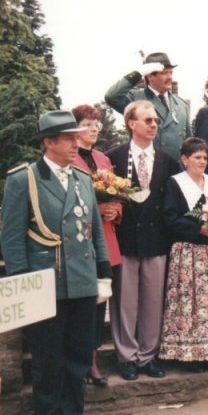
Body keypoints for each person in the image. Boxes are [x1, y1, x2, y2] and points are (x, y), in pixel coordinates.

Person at [1, 110, 110, 414]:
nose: (77, 143)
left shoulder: (82, 179)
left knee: (78, 359)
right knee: (48, 362)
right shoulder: (25, 179)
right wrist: (23, 283)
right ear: (49, 142)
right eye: (69, 138)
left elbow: (95, 233)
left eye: (77, 137)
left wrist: (103, 274)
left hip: (81, 282)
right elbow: (11, 239)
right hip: (43, 283)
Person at [106, 100, 180, 380]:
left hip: (156, 242)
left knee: (152, 303)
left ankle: (148, 356)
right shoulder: (112, 158)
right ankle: (126, 356)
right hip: (125, 241)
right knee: (125, 302)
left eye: (155, 121)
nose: (153, 125)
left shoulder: (168, 161)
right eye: (147, 120)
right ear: (131, 123)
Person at [159, 137, 208, 372]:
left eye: (204, 157)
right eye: (196, 157)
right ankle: (189, 354)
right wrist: (199, 229)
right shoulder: (175, 183)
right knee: (189, 302)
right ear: (184, 160)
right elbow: (170, 218)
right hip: (187, 252)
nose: (202, 161)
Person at [71, 104, 123, 388]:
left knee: (98, 306)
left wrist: (115, 210)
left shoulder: (103, 158)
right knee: (81, 307)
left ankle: (92, 363)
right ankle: (78, 365)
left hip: (106, 240)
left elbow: (119, 197)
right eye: (88, 124)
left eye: (97, 125)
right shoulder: (67, 157)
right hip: (80, 243)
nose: (94, 129)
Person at [105, 52, 191, 161]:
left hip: (176, 173)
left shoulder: (182, 105)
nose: (170, 77)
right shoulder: (136, 98)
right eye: (164, 73)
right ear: (150, 76)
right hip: (147, 169)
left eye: (171, 73)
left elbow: (189, 145)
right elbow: (111, 96)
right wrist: (138, 73)